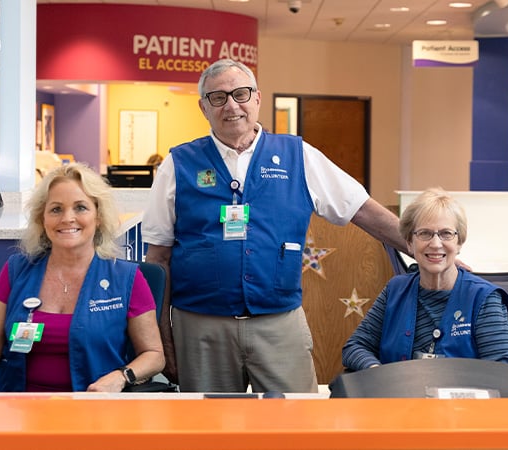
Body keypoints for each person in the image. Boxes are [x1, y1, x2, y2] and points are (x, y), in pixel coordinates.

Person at [142, 58, 410, 393]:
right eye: (218, 97)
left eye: (241, 94)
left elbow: (363, 211)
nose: (231, 106)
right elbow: (158, 259)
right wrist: (163, 340)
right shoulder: (177, 164)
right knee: (210, 430)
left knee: (296, 424)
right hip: (201, 328)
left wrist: (422, 247)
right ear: (203, 107)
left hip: (279, 322)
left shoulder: (298, 155)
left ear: (256, 98)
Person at [0, 163, 164, 392]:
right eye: (56, 209)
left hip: (93, 412)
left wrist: (121, 377)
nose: (67, 218)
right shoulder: (17, 270)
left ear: (98, 217)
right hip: (20, 410)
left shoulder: (127, 279)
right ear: (43, 219)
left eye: (81, 208)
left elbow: (154, 355)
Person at [341, 187, 508, 371]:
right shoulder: (395, 290)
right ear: (409, 242)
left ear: (459, 243)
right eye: (425, 233)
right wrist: (377, 372)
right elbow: (355, 347)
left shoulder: (484, 299)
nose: (435, 244)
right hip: (399, 396)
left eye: (446, 234)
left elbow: (503, 370)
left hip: (461, 398)